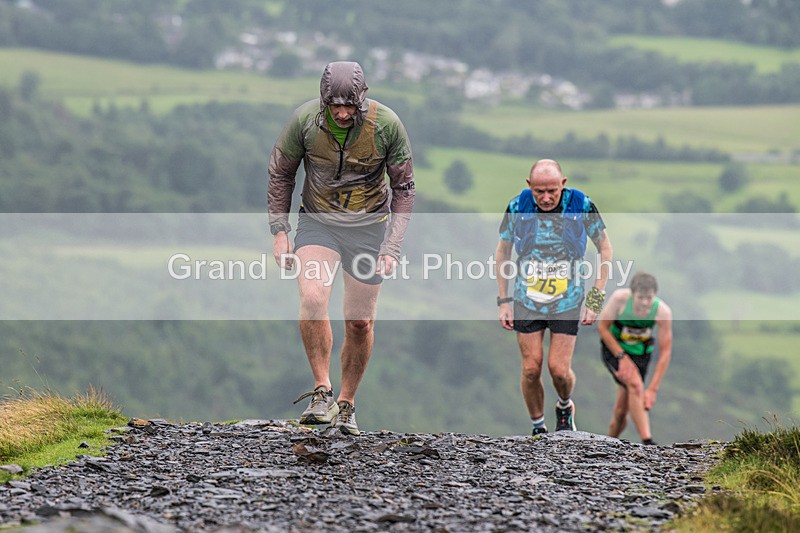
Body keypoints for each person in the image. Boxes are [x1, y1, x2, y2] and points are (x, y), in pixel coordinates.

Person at [268, 61, 415, 435]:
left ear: (362, 98)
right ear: (323, 101)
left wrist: (392, 247)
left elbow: (405, 189)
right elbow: (282, 172)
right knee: (314, 298)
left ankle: (347, 405)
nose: (343, 113)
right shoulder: (304, 121)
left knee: (360, 322)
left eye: (350, 105)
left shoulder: (387, 125)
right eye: (335, 106)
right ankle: (322, 391)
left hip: (369, 228)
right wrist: (280, 229)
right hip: (318, 222)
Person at [494, 159, 612, 436]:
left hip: (567, 300)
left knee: (559, 370)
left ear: (563, 184)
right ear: (529, 186)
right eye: (539, 192)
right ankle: (538, 427)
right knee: (531, 368)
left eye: (552, 191)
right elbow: (502, 253)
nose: (546, 198)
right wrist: (504, 301)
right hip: (527, 298)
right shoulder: (516, 207)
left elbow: (604, 249)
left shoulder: (581, 205)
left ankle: (564, 406)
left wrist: (595, 298)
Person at [598, 271, 672, 445]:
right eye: (640, 298)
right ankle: (648, 441)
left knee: (621, 411)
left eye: (649, 298)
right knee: (636, 385)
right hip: (615, 349)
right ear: (632, 295)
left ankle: (609, 444)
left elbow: (666, 352)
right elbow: (602, 328)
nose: (645, 303)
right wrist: (621, 357)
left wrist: (653, 389)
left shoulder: (662, 312)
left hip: (641, 355)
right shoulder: (619, 300)